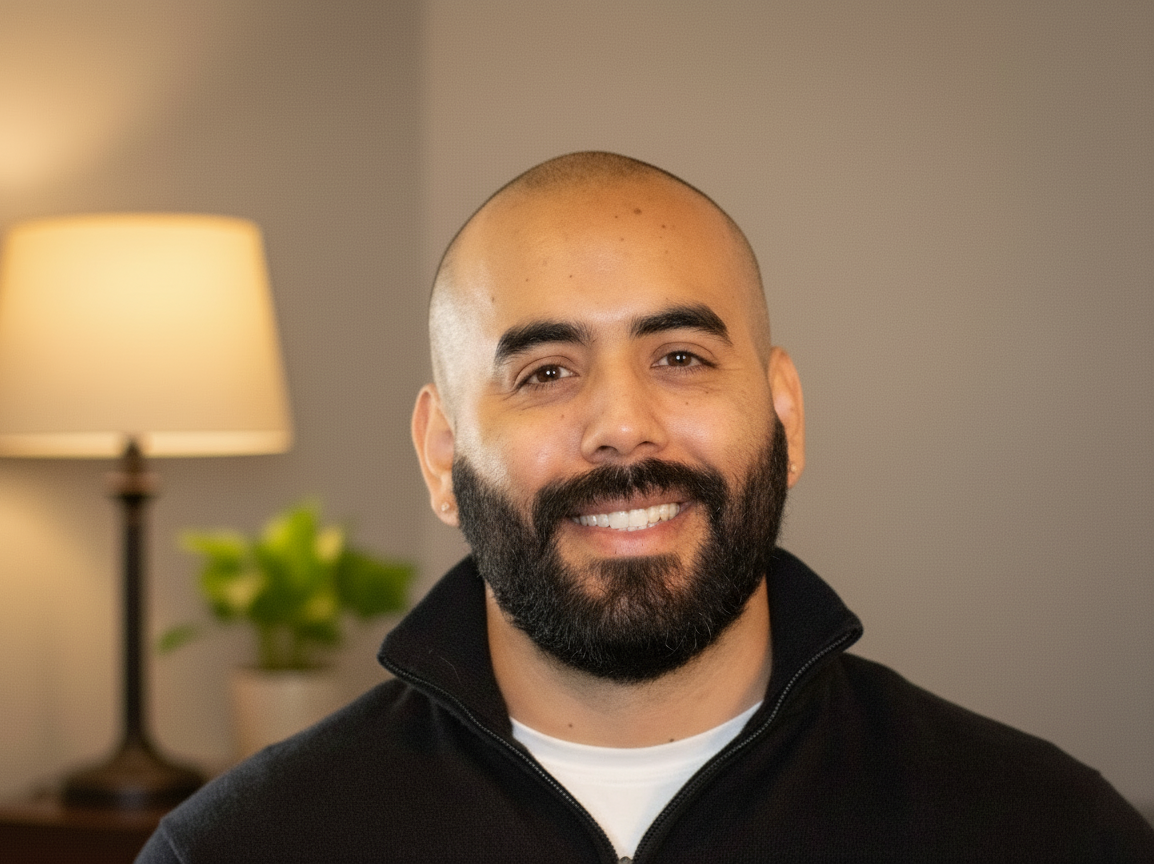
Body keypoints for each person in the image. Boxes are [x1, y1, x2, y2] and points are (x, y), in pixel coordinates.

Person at [137, 152, 1154, 863]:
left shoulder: (1040, 832)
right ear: (441, 454)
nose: (621, 426)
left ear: (784, 414)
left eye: (679, 357)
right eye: (543, 371)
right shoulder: (242, 848)